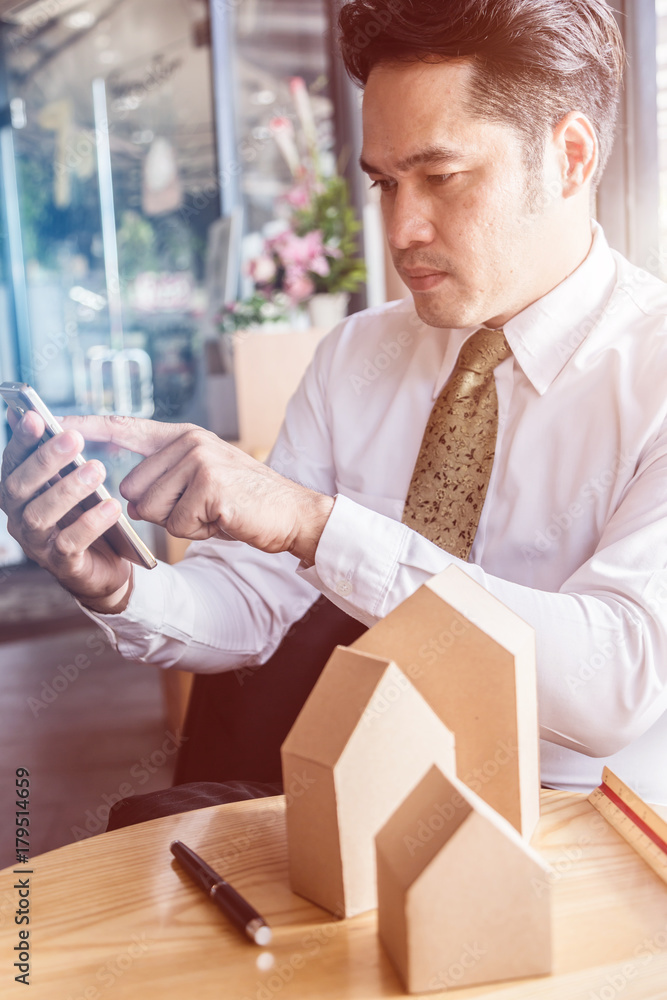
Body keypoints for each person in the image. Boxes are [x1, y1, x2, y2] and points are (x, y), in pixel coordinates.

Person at [3, 0, 667, 805]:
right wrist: (119, 583)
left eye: (440, 177)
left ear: (568, 157)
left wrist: (317, 528)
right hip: (363, 806)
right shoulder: (357, 356)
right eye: (385, 183)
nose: (400, 227)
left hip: (588, 843)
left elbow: (613, 689)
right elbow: (251, 604)